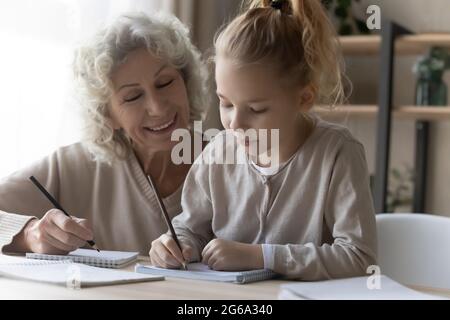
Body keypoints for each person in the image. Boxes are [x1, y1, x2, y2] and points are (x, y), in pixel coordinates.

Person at [149, 0, 377, 280]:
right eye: (226, 103)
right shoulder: (218, 152)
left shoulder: (338, 154)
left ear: (304, 98)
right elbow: (191, 229)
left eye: (256, 109)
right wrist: (176, 244)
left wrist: (260, 256)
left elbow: (359, 258)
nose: (235, 123)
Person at [0, 12, 209, 255]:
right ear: (107, 115)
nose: (157, 107)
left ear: (186, 82)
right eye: (133, 96)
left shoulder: (233, 164)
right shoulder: (75, 166)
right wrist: (30, 234)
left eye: (165, 83)